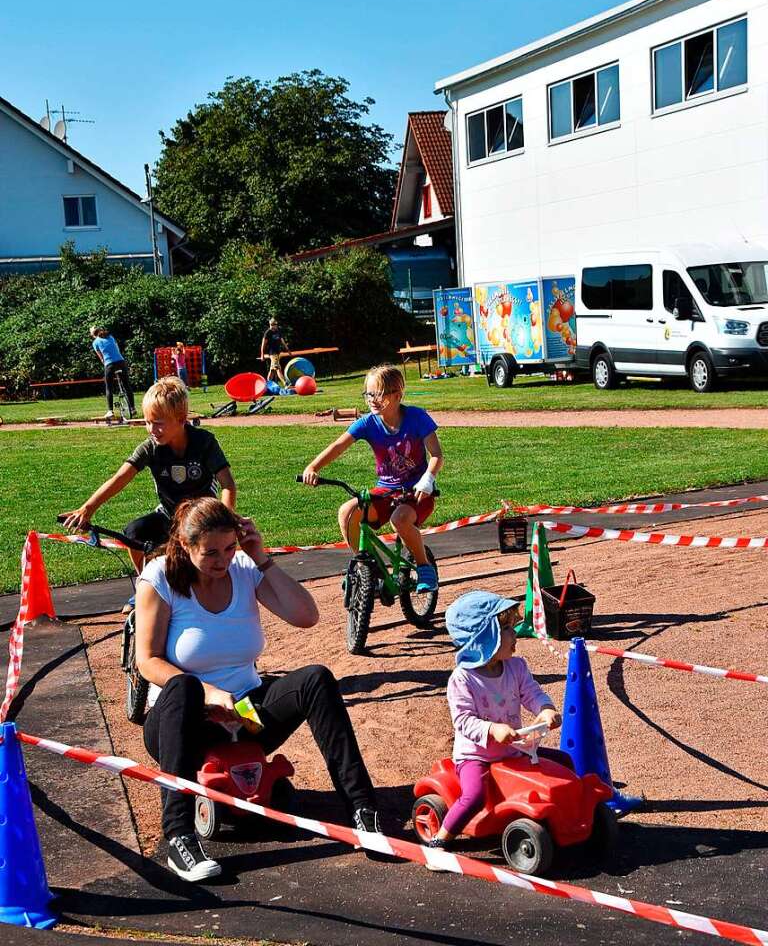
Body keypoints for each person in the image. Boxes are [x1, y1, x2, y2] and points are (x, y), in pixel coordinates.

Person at [135, 497, 382, 881]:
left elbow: (306, 617)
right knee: (184, 686)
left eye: (230, 547)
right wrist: (209, 693)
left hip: (244, 715)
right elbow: (147, 661)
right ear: (185, 546)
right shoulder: (160, 577)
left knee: (316, 678)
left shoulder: (245, 568)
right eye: (211, 552)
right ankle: (180, 838)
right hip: (183, 722)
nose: (223, 560)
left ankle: (364, 811)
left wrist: (261, 557)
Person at [425, 590, 564, 857]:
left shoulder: (516, 667)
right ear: (486, 638)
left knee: (563, 764)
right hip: (476, 756)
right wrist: (492, 729)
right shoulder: (462, 679)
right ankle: (440, 841)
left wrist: (545, 709)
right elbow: (463, 721)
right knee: (474, 795)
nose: (516, 635)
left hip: (514, 751)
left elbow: (532, 693)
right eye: (508, 629)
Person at [61, 376, 236, 575]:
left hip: (203, 520)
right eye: (147, 422)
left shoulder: (204, 442)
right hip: (169, 514)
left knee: (190, 570)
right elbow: (120, 478)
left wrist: (224, 521)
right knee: (134, 532)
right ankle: (144, 585)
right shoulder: (150, 448)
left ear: (181, 418)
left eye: (158, 423)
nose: (151, 430)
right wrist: (88, 508)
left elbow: (228, 485)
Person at [302, 364, 443, 592]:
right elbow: (338, 446)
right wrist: (313, 467)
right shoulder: (368, 422)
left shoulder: (417, 417)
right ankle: (370, 567)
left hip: (416, 493)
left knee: (400, 520)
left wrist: (427, 479)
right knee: (347, 512)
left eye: (378, 394)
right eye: (368, 393)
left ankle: (424, 567)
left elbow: (436, 455)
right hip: (385, 491)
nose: (372, 399)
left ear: (397, 395)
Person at [90, 324, 135, 420]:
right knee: (127, 385)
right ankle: (132, 408)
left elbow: (101, 358)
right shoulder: (110, 336)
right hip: (121, 362)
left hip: (109, 364)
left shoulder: (95, 342)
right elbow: (117, 349)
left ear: (93, 334)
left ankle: (110, 411)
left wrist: (107, 364)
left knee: (109, 388)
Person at [260, 317, 290, 387]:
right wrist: (262, 355)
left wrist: (288, 350)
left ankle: (266, 385)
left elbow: (283, 342)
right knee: (277, 368)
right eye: (271, 324)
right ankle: (285, 383)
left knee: (272, 370)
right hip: (272, 353)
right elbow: (263, 344)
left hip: (278, 353)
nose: (273, 326)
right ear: (270, 324)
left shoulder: (278, 332)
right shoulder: (268, 333)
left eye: (274, 324)